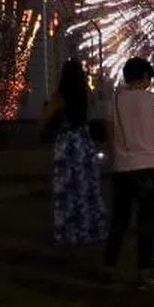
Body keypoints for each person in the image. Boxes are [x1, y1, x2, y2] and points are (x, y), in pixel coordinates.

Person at [101, 58, 154, 290]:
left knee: (119, 221)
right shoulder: (153, 100)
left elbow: (110, 137)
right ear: (144, 76)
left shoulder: (114, 101)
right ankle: (144, 272)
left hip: (123, 168)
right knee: (146, 222)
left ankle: (109, 267)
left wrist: (114, 162)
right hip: (150, 167)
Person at [40, 60, 107, 247]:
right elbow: (92, 114)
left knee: (67, 186)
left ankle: (69, 232)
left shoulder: (59, 97)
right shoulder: (85, 94)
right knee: (87, 185)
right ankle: (91, 229)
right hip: (84, 140)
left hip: (67, 141)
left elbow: (42, 120)